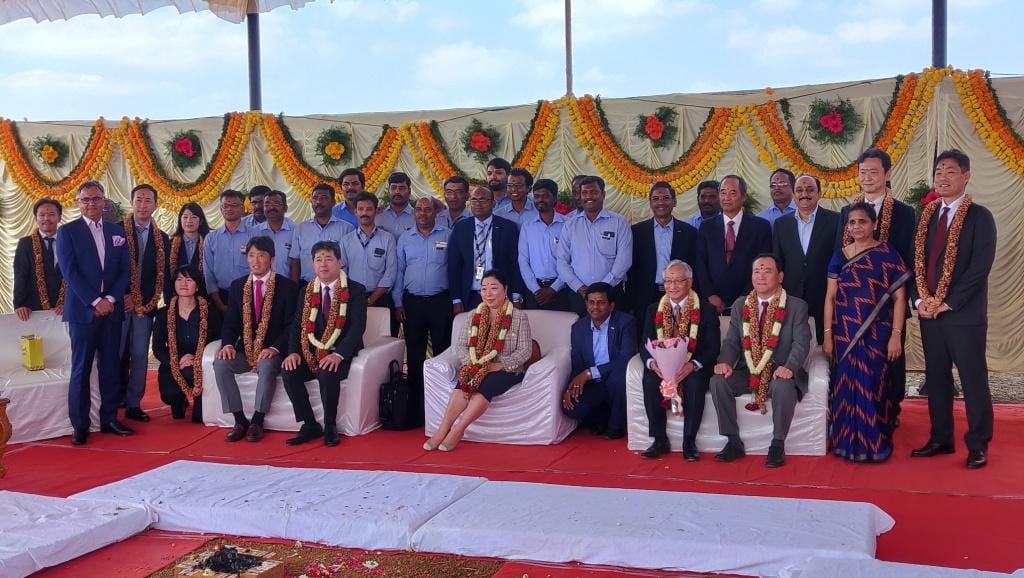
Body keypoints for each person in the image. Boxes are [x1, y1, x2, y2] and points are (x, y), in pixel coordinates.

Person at [910, 150, 996, 470]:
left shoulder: (979, 217)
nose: (943, 177)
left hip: (964, 315)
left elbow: (979, 268)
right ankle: (941, 438)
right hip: (929, 315)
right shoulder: (927, 216)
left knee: (973, 380)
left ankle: (978, 444)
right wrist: (919, 301)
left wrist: (948, 302)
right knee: (937, 378)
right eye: (938, 172)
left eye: (950, 171)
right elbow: (915, 263)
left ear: (966, 176)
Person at [823, 202, 910, 462]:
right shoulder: (840, 255)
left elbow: (900, 298)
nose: (856, 226)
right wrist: (827, 335)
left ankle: (875, 442)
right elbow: (830, 298)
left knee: (875, 384)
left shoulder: (887, 254)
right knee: (845, 384)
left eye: (862, 221)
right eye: (852, 222)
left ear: (874, 224)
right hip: (845, 333)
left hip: (878, 334)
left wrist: (895, 335)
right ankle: (846, 442)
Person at [836, 148, 917, 424]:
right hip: (853, 307)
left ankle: (889, 413)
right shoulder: (847, 212)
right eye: (863, 172)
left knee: (890, 360)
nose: (867, 177)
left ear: (887, 173)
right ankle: (856, 413)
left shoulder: (904, 213)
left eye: (873, 171)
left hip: (889, 304)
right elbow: (840, 257)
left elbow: (907, 259)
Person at [710, 254, 810, 468]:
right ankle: (733, 441)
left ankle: (777, 444)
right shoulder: (740, 305)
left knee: (783, 387)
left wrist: (789, 367)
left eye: (767, 271)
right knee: (718, 381)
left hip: (778, 371)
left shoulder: (796, 306)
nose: (761, 276)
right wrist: (725, 361)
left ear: (780, 277)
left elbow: (801, 343)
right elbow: (732, 341)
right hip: (749, 369)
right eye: (757, 271)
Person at [57, 181, 132, 445]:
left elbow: (125, 270)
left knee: (111, 367)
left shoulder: (117, 230)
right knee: (81, 368)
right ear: (78, 203)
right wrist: (95, 301)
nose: (91, 203)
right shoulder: (67, 232)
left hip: (112, 311)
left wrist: (110, 299)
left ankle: (109, 419)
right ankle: (80, 425)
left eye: (96, 198)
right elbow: (70, 273)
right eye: (85, 199)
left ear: (104, 201)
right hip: (82, 313)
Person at [423, 269, 533, 452]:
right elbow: (460, 346)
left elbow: (525, 351)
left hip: (506, 369)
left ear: (505, 289)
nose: (488, 293)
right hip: (477, 365)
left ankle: (458, 430)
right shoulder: (473, 314)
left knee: (486, 384)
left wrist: (499, 365)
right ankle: (442, 430)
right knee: (465, 381)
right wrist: (473, 362)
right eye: (484, 288)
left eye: (493, 288)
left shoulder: (519, 317)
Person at [281, 241, 367, 447]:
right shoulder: (306, 291)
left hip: (341, 353)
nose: (323, 264)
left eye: (328, 259)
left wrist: (338, 354)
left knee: (327, 372)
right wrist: (293, 352)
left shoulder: (356, 290)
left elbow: (357, 328)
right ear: (312, 264)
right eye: (318, 260)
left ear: (340, 262)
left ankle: (330, 425)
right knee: (289, 370)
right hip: (311, 352)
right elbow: (297, 325)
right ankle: (310, 424)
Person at [213, 236, 297, 443]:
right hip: (246, 350)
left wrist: (275, 348)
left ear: (272, 259)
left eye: (261, 255)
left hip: (273, 351)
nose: (255, 261)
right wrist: (228, 345)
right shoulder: (237, 286)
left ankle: (257, 421)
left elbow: (292, 325)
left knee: (266, 364)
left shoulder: (287, 287)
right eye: (251, 255)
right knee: (221, 363)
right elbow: (230, 323)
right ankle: (239, 420)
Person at [638, 261, 720, 460]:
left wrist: (693, 365)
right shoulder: (653, 309)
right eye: (667, 281)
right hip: (662, 367)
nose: (672, 286)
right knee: (650, 380)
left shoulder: (706, 310)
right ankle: (659, 440)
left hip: (693, 366)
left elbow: (713, 347)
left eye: (677, 281)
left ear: (689, 282)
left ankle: (689, 441)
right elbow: (644, 343)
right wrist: (652, 364)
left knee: (694, 382)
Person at [394, 197, 452, 417]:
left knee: (442, 352)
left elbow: (454, 268)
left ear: (435, 213)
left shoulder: (447, 235)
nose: (423, 213)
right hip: (412, 303)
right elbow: (399, 271)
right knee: (415, 354)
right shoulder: (405, 238)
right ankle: (417, 408)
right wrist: (398, 302)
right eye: (419, 209)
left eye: (428, 210)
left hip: (440, 302)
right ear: (414, 213)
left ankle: (443, 403)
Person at [119, 183, 170, 422]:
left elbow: (163, 274)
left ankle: (133, 403)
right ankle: (110, 401)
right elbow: (110, 269)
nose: (142, 205)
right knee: (115, 354)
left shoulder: (163, 238)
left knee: (139, 355)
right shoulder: (116, 231)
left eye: (148, 200)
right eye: (138, 200)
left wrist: (153, 302)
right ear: (131, 203)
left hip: (146, 306)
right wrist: (124, 295)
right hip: (118, 305)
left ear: (155, 205)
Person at [562, 283, 637, 439]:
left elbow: (626, 358)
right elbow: (577, 362)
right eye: (591, 302)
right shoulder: (578, 327)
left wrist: (590, 373)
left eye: (601, 302)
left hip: (615, 378)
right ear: (586, 304)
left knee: (617, 378)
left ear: (611, 305)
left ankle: (616, 426)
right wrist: (571, 387)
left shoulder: (626, 322)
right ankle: (601, 417)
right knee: (571, 408)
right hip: (594, 383)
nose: (595, 307)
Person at [772, 175, 840, 344]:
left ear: (819, 193)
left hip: (824, 295)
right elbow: (777, 261)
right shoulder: (781, 224)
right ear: (793, 194)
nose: (804, 194)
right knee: (791, 344)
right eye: (799, 190)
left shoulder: (836, 220)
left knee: (824, 345)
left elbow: (839, 258)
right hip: (791, 296)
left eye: (810, 190)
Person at [153, 265, 222, 423]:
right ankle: (179, 401)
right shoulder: (164, 313)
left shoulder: (210, 311)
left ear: (197, 286)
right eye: (179, 279)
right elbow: (157, 347)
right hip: (173, 362)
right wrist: (177, 360)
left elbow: (219, 340)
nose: (183, 283)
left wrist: (198, 358)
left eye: (189, 280)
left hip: (202, 363)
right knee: (170, 395)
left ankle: (200, 402)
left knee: (199, 418)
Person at [556, 175, 633, 316]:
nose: (589, 196)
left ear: (603, 194)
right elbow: (561, 261)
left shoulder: (619, 222)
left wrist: (603, 288)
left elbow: (624, 260)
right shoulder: (570, 225)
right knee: (580, 329)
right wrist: (578, 286)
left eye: (594, 192)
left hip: (611, 293)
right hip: (579, 295)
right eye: (584, 192)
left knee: (614, 329)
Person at [696, 175, 772, 315]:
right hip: (713, 303)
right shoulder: (707, 227)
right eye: (723, 192)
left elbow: (763, 266)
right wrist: (710, 295)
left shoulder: (760, 227)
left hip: (749, 300)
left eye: (732, 193)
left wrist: (745, 297)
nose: (727, 197)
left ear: (743, 197)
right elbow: (700, 264)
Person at [628, 181, 699, 318]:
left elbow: (695, 267)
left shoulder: (689, 232)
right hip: (645, 296)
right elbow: (631, 271)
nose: (661, 202)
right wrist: (631, 302)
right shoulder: (637, 232)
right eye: (655, 199)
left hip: (679, 295)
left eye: (666, 198)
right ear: (650, 203)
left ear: (674, 202)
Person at [448, 185, 521, 313]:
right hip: (470, 296)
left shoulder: (508, 227)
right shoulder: (461, 228)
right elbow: (454, 266)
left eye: (483, 200)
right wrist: (456, 299)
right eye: (474, 200)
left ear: (493, 203)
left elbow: (515, 264)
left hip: (501, 296)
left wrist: (516, 296)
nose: (478, 204)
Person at [340, 192, 398, 334]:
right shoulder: (346, 240)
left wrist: (371, 300)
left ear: (376, 211)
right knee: (354, 339)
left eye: (369, 209)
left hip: (381, 298)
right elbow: (342, 272)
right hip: (353, 299)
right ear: (355, 212)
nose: (364, 213)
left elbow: (390, 273)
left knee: (384, 339)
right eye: (361, 209)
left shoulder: (388, 238)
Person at [518, 178, 571, 311]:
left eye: (545, 196)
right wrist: (536, 289)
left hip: (562, 290)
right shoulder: (527, 226)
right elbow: (523, 260)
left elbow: (572, 260)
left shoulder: (568, 225)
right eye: (536, 196)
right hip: (534, 291)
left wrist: (554, 288)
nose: (540, 200)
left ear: (555, 198)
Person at [290, 182, 355, 286]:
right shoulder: (301, 229)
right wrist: (294, 288)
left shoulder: (347, 228)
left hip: (338, 286)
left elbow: (352, 262)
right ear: (311, 202)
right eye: (315, 198)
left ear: (333, 202)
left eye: (324, 198)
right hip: (307, 285)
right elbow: (295, 262)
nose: (318, 202)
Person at [204, 189, 256, 315]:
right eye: (226, 205)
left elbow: (261, 267)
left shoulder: (254, 234)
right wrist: (219, 303)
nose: (229, 209)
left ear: (242, 208)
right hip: (221, 296)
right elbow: (208, 273)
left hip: (250, 294)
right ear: (221, 209)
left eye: (234, 205)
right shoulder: (211, 238)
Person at [14, 198, 65, 320]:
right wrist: (20, 304)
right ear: (35, 218)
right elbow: (21, 275)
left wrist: (69, 303)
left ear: (59, 218)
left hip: (65, 309)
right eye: (42, 215)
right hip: (34, 310)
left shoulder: (69, 242)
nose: (46, 218)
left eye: (51, 214)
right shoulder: (25, 244)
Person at [168, 202, 211, 297]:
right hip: (176, 296)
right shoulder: (170, 244)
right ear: (180, 220)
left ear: (201, 221)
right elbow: (166, 274)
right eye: (185, 217)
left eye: (194, 217)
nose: (189, 220)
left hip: (204, 295)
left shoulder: (209, 243)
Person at [252, 190, 295, 277]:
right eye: (267, 204)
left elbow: (296, 263)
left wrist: (293, 284)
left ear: (285, 208)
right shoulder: (256, 232)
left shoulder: (295, 230)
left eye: (276, 204)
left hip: (286, 282)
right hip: (261, 282)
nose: (271, 207)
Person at [376, 172, 415, 238]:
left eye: (401, 188)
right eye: (393, 188)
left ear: (409, 191)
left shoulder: (417, 217)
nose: (397, 191)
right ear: (388, 191)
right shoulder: (378, 216)